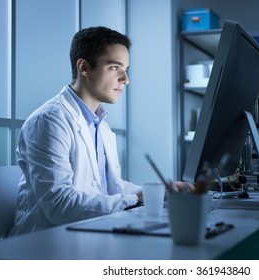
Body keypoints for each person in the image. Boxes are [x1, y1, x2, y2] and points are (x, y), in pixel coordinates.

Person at [10, 26, 191, 236]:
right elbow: (59, 206)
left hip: (88, 233)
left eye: (126, 69)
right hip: (45, 245)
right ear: (84, 67)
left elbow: (111, 188)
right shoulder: (49, 121)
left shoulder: (100, 124)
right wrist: (139, 198)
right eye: (115, 68)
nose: (126, 79)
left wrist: (158, 191)